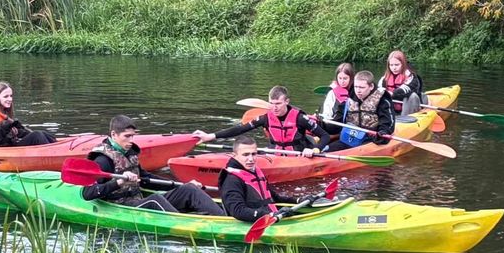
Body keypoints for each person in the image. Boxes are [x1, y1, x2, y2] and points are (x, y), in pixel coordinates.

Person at [82, 115, 225, 215]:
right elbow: (88, 193)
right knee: (155, 200)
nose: (131, 140)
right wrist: (118, 182)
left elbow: (146, 179)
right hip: (121, 206)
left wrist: (181, 184)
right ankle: (186, 223)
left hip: (137, 201)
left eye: (133, 135)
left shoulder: (129, 152)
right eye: (127, 136)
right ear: (114, 134)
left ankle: (225, 217)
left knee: (189, 189)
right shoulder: (102, 160)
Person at [194, 86, 327, 153]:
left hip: (299, 156)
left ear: (287, 101)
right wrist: (210, 136)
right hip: (274, 154)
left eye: (278, 104)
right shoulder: (265, 118)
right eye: (271, 103)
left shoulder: (300, 118)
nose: (274, 108)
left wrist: (315, 150)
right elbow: (240, 128)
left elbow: (325, 136)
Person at [218, 136, 295, 223]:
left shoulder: (254, 171)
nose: (251, 159)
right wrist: (268, 215)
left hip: (271, 216)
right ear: (234, 155)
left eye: (254, 154)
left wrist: (297, 200)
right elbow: (237, 211)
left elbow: (273, 197)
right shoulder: (231, 180)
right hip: (250, 222)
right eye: (245, 155)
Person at [326, 70, 395, 151]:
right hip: (349, 138)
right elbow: (336, 123)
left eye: (362, 87)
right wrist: (320, 124)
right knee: (327, 149)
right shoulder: (349, 100)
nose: (358, 91)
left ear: (371, 86)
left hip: (371, 140)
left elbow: (387, 122)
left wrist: (383, 132)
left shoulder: (382, 100)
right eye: (356, 87)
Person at [0, 81, 57, 147]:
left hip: (9, 145)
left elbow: (14, 133)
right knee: (37, 135)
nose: (10, 99)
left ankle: (57, 148)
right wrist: (5, 128)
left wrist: (22, 130)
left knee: (42, 133)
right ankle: (53, 155)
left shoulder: (4, 110)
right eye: (6, 96)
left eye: (11, 96)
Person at [378, 50, 423, 115]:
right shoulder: (384, 78)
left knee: (413, 96)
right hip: (392, 108)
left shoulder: (411, 76)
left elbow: (406, 89)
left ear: (403, 64)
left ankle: (406, 118)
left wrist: (392, 94)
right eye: (391, 65)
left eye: (397, 65)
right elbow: (379, 89)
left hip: (407, 108)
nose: (394, 68)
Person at [320, 62, 355, 137]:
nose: (342, 81)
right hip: (335, 124)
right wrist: (325, 120)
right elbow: (327, 111)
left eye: (345, 78)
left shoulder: (357, 91)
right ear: (337, 77)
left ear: (351, 78)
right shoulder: (332, 92)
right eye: (340, 78)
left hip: (351, 125)